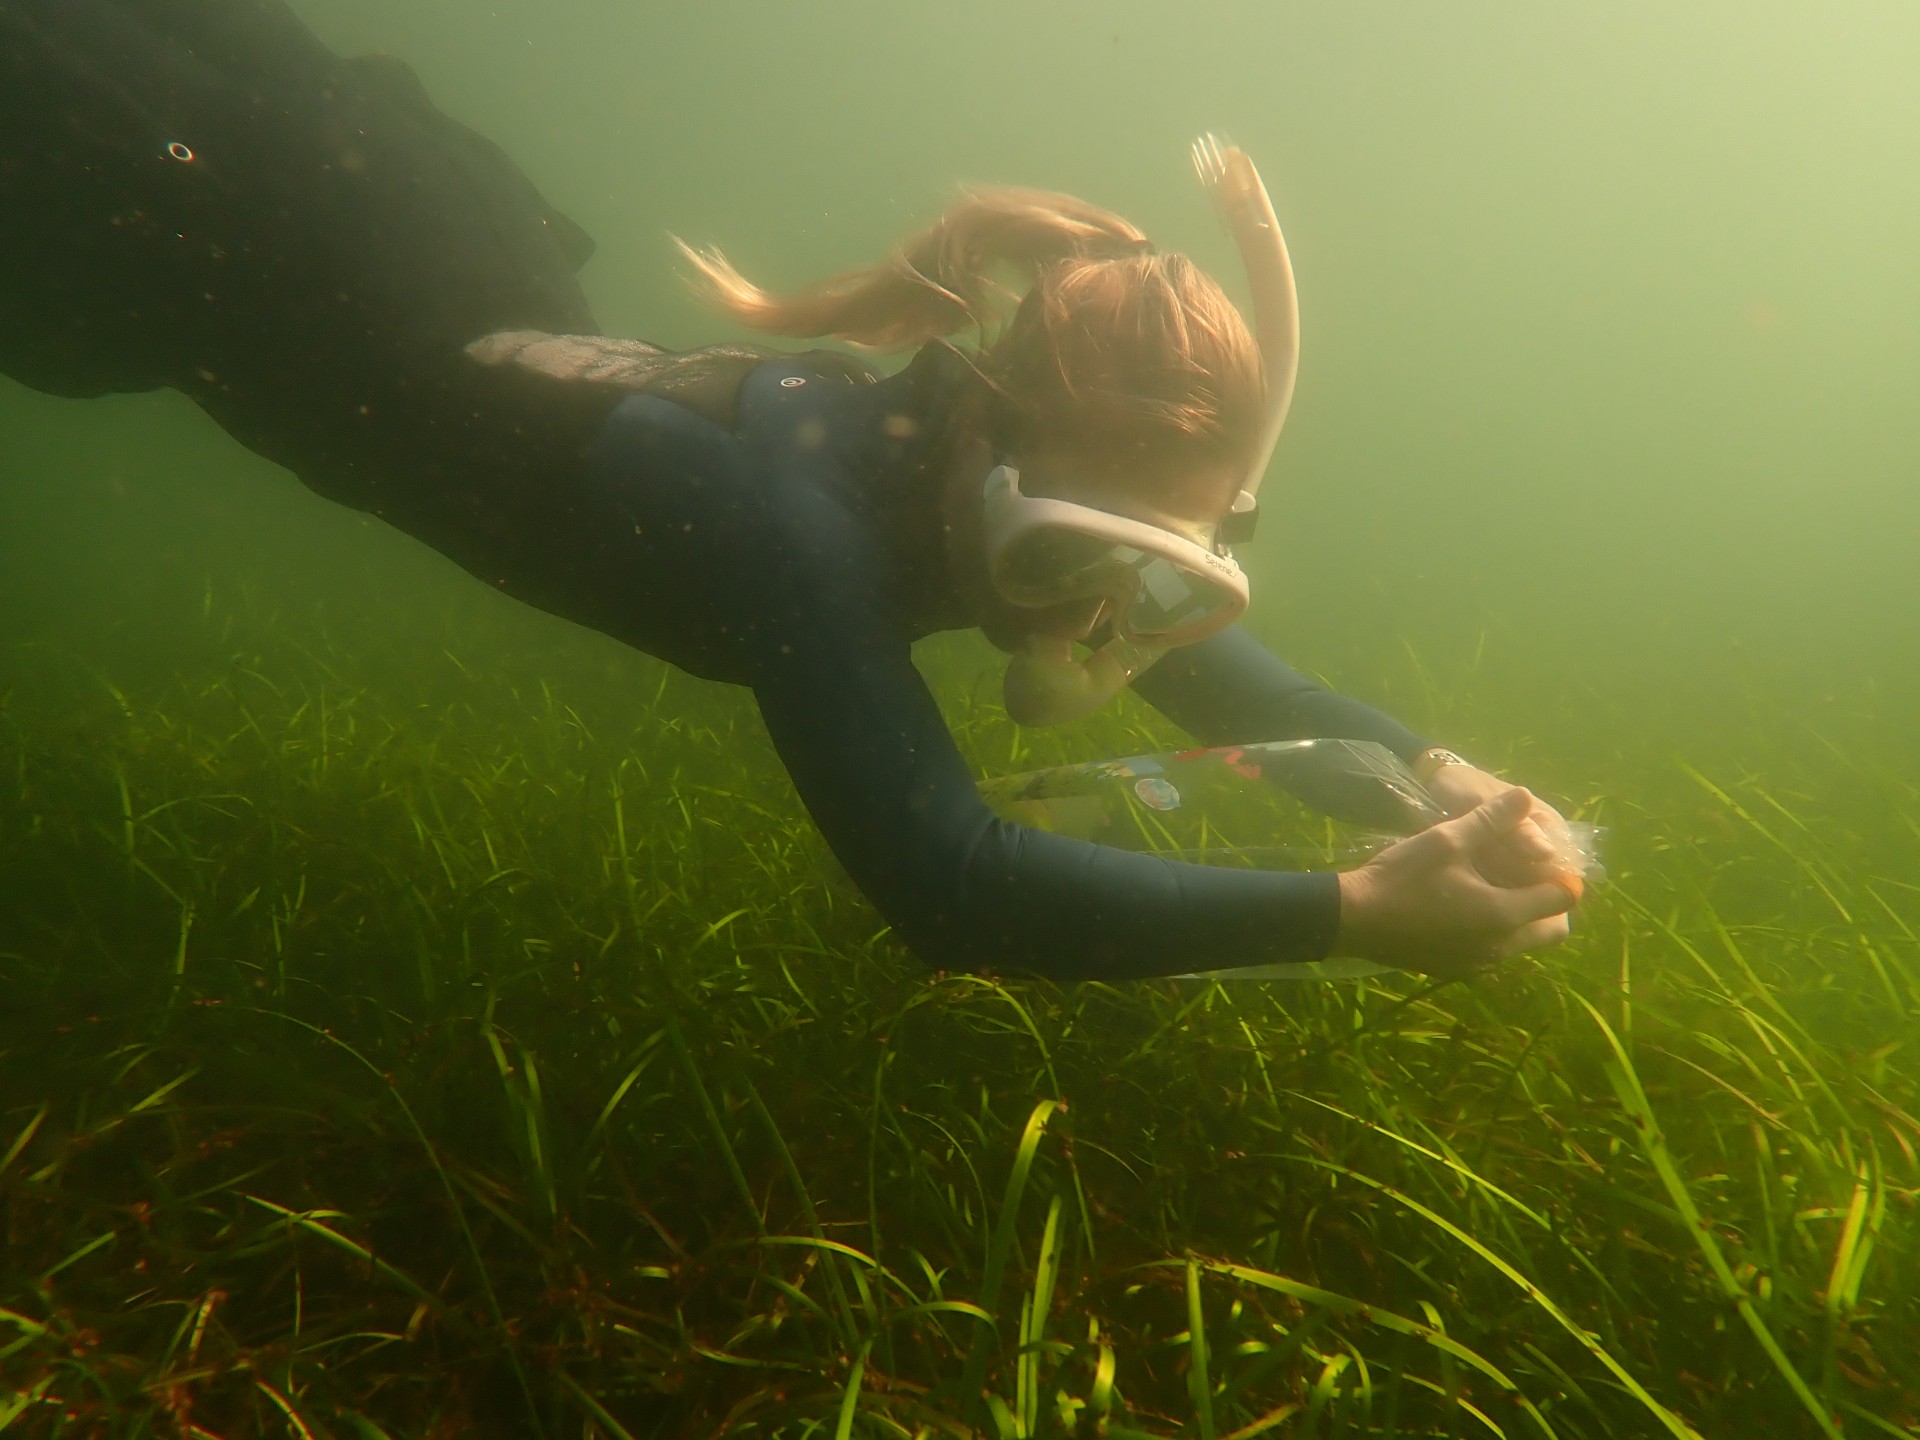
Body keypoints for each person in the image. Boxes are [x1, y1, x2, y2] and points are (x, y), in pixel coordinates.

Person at [0, 0, 1577, 982]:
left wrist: (1443, 784)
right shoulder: (789, 522)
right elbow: (953, 884)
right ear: (986, 445)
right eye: (1083, 563)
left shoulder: (981, 483)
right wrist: (1357, 917)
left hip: (440, 247)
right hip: (265, 266)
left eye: (1161, 578)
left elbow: (1261, 686)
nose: (1103, 628)